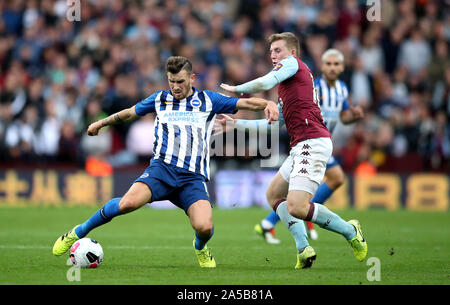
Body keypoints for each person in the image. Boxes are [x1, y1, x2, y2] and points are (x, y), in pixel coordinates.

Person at [52, 56, 279, 268]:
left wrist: (267, 104)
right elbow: (130, 113)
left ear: (191, 78)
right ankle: (76, 232)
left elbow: (244, 104)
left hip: (192, 177)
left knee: (205, 227)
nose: (175, 86)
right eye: (171, 81)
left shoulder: (208, 100)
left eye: (180, 81)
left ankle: (200, 247)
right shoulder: (160, 99)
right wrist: (102, 124)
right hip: (161, 170)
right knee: (126, 204)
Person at [220, 32, 367, 269]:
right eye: (271, 52)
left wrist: (235, 89)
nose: (273, 55)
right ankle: (303, 248)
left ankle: (350, 231)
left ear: (292, 53)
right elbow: (273, 126)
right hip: (300, 146)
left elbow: (264, 82)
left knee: (297, 206)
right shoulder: (288, 87)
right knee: (273, 195)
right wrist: (235, 124)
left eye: (278, 50)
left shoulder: (293, 65)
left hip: (314, 141)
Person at [251, 48, 364, 243]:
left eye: (336, 64)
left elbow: (343, 117)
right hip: (310, 142)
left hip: (321, 143)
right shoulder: (313, 86)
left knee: (332, 180)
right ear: (322, 66)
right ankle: (274, 222)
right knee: (334, 179)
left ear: (342, 67)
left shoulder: (342, 89)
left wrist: (353, 116)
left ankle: (271, 223)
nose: (332, 68)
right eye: (328, 64)